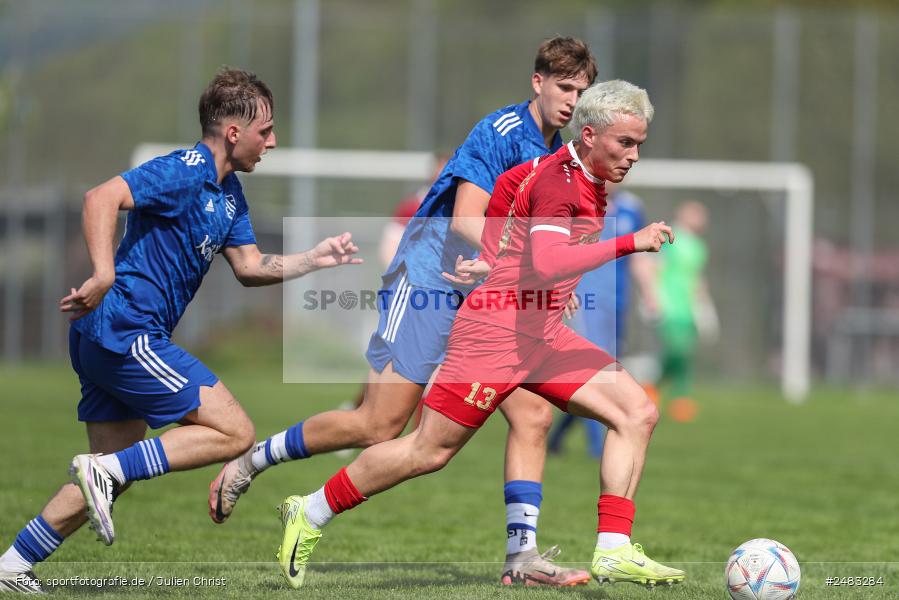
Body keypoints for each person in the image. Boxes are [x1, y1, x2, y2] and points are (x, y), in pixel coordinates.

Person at [209, 37, 598, 588]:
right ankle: (252, 463)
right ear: (538, 82)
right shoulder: (500, 133)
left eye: (581, 91)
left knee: (533, 415)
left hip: (487, 296)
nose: (571, 99)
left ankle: (522, 557)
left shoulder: (561, 156)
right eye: (564, 87)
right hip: (430, 281)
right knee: (377, 424)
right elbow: (467, 220)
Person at [273, 80, 686, 590]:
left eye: (640, 144)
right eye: (625, 143)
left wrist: (507, 264)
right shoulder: (562, 181)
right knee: (428, 451)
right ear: (590, 133)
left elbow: (513, 204)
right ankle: (309, 511)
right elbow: (550, 256)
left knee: (637, 410)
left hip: (542, 332)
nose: (634, 155)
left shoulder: (576, 176)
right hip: (494, 338)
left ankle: (614, 549)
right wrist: (630, 243)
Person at [0, 68, 361, 594]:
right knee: (234, 432)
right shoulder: (184, 170)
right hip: (125, 330)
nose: (273, 141)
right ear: (234, 131)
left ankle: (12, 564)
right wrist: (103, 274)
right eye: (267, 130)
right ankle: (102, 479)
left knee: (108, 471)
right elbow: (99, 198)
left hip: (108, 337)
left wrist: (313, 259)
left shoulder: (229, 191)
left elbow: (249, 266)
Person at [547, 183, 657, 458]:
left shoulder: (633, 207)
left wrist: (650, 294)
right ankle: (598, 447)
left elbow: (638, 258)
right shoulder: (578, 203)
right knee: (597, 372)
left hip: (617, 303)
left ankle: (558, 437)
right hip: (585, 301)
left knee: (607, 369)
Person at [656, 200, 716, 418]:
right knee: (676, 352)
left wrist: (705, 309)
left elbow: (698, 279)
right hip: (670, 306)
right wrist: (653, 298)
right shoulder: (670, 238)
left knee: (685, 355)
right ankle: (655, 387)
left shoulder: (700, 247)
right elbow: (655, 266)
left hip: (688, 309)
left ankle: (679, 399)